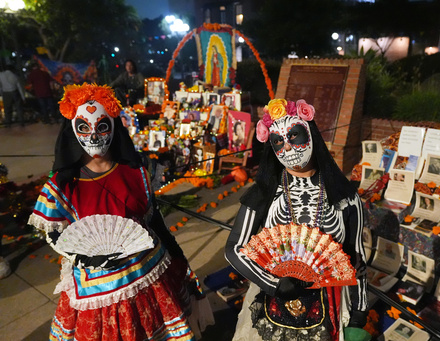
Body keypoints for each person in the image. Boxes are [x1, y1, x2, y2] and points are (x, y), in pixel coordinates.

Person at [28, 83, 214, 340]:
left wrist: (179, 259)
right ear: (72, 130)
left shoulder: (137, 171)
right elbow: (55, 233)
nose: (93, 136)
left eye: (101, 126)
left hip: (148, 273)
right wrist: (84, 257)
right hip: (98, 289)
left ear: (114, 127)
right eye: (84, 127)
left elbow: (153, 220)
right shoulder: (62, 184)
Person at [225, 99, 370, 341]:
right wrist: (273, 284)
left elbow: (357, 255)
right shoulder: (264, 193)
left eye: (294, 136)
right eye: (278, 142)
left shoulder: (345, 196)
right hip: (274, 303)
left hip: (331, 305)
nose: (289, 149)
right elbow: (234, 249)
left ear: (311, 135)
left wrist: (360, 309)